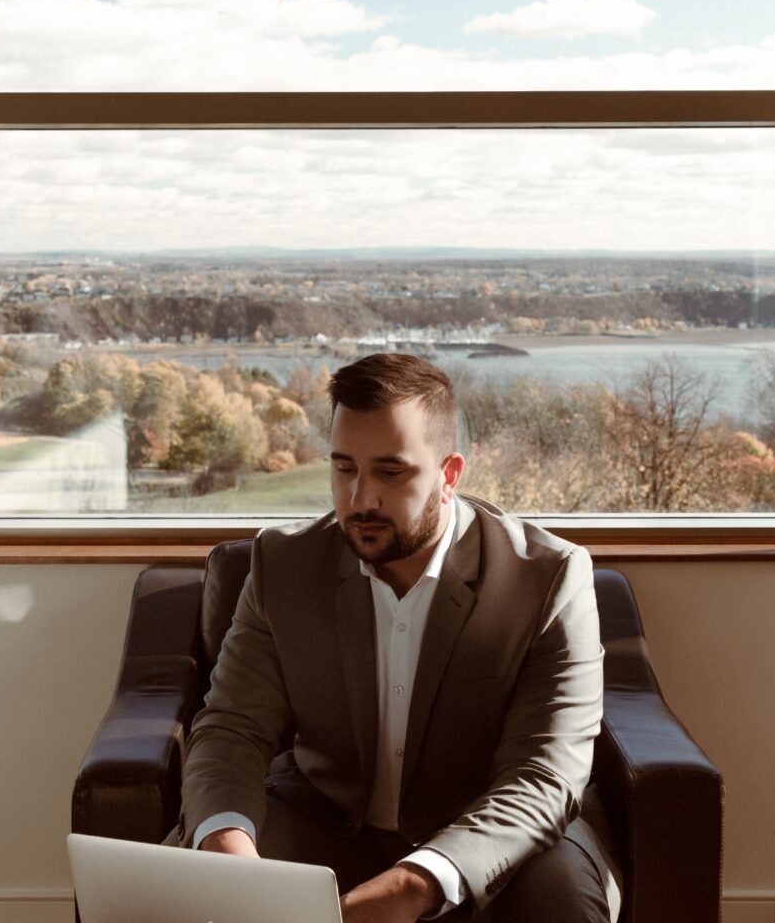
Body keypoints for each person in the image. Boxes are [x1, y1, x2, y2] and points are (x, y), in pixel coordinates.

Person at [172, 353, 621, 922]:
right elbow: (232, 727)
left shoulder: (548, 578)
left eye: (390, 472)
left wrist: (415, 882)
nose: (361, 499)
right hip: (326, 819)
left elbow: (543, 774)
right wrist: (225, 846)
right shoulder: (283, 565)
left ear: (449, 474)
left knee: (562, 901)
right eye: (344, 468)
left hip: (488, 831)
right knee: (181, 880)